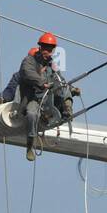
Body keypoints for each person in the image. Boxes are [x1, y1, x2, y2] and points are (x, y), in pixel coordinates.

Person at [16, 33, 79, 162]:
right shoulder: (29, 61)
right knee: (32, 114)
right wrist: (41, 83)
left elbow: (60, 80)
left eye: (50, 50)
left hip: (48, 100)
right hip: (33, 98)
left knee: (63, 86)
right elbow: (27, 73)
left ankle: (67, 110)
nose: (48, 52)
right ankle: (30, 144)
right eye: (46, 49)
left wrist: (72, 90)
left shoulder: (52, 66)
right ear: (40, 47)